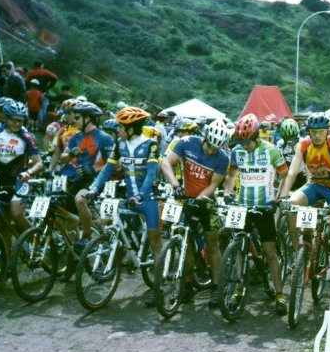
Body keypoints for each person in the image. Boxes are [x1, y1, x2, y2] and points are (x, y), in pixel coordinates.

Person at [86, 107, 161, 307]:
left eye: (120, 127)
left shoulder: (150, 145)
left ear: (131, 128)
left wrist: (140, 195)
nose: (117, 130)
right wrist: (93, 188)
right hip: (128, 198)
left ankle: (159, 287)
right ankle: (118, 254)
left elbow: (151, 174)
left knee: (154, 240)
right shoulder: (120, 145)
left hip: (148, 199)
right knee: (105, 221)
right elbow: (107, 169)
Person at [223, 113, 289, 316]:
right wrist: (227, 193)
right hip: (243, 206)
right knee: (238, 248)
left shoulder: (271, 150)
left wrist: (278, 198)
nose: (245, 146)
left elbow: (284, 175)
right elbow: (231, 175)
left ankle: (280, 295)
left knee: (270, 253)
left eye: (248, 142)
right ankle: (238, 290)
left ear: (256, 136)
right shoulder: (236, 152)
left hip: (264, 207)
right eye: (241, 142)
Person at [160, 118, 230, 309]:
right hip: (184, 196)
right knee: (186, 244)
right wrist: (175, 185)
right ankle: (188, 285)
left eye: (216, 148)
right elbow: (166, 163)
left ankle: (216, 287)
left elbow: (214, 185)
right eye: (209, 146)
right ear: (204, 138)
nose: (211, 151)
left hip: (205, 200)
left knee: (212, 242)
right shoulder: (187, 142)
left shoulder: (222, 158)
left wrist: (199, 199)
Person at [278, 112, 330, 282]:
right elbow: (292, 172)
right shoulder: (303, 144)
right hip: (315, 186)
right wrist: (284, 196)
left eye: (321, 131)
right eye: (313, 132)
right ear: (308, 131)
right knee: (292, 204)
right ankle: (297, 251)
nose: (317, 135)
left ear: (327, 131)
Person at [0, 100, 44, 251]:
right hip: (3, 180)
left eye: (21, 121)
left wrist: (29, 172)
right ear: (5, 118)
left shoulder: (27, 136)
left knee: (17, 214)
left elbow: (39, 163)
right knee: (2, 222)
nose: (18, 124)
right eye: (14, 120)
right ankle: (7, 259)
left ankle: (37, 242)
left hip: (20, 180)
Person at [61, 102, 114, 254]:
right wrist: (71, 154)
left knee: (80, 200)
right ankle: (75, 252)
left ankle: (86, 236)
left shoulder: (104, 138)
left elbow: (114, 165)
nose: (74, 121)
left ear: (88, 118)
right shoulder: (75, 137)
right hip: (78, 179)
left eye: (77, 117)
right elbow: (62, 158)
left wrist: (93, 169)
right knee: (69, 219)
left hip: (96, 180)